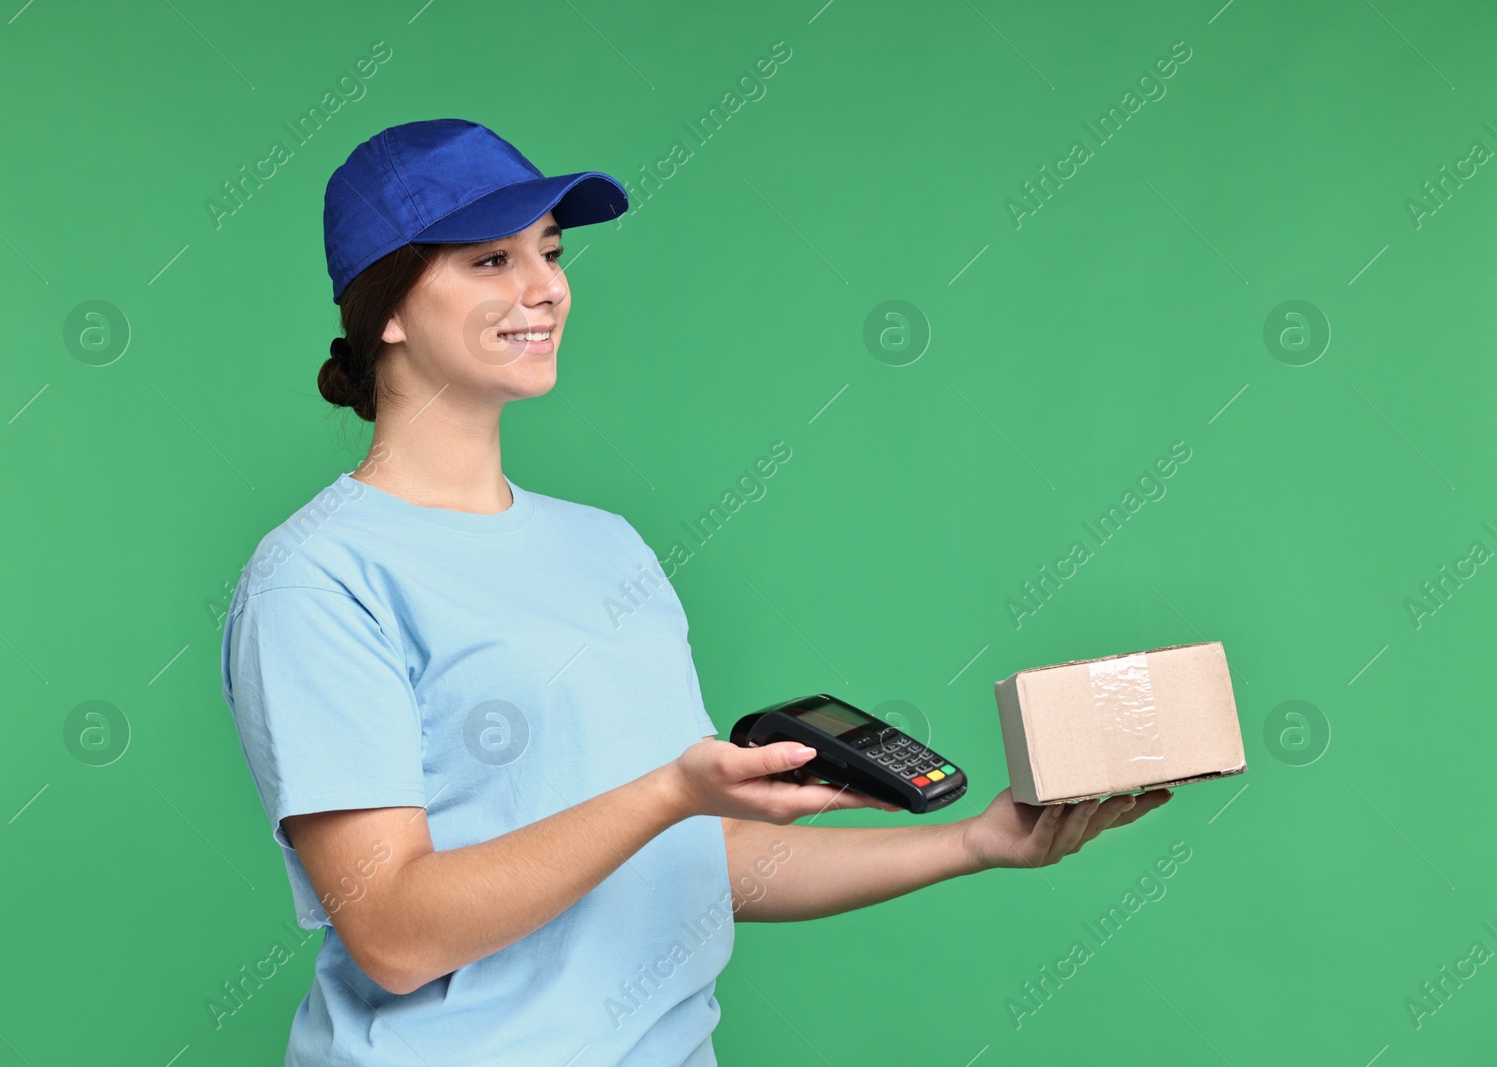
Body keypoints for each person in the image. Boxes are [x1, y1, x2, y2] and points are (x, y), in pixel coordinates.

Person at [218, 118, 1170, 1067]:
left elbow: (695, 866)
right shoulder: (319, 577)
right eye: (491, 261)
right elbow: (392, 932)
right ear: (386, 306)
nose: (546, 287)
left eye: (550, 252)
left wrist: (974, 842)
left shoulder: (606, 546)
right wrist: (671, 792)